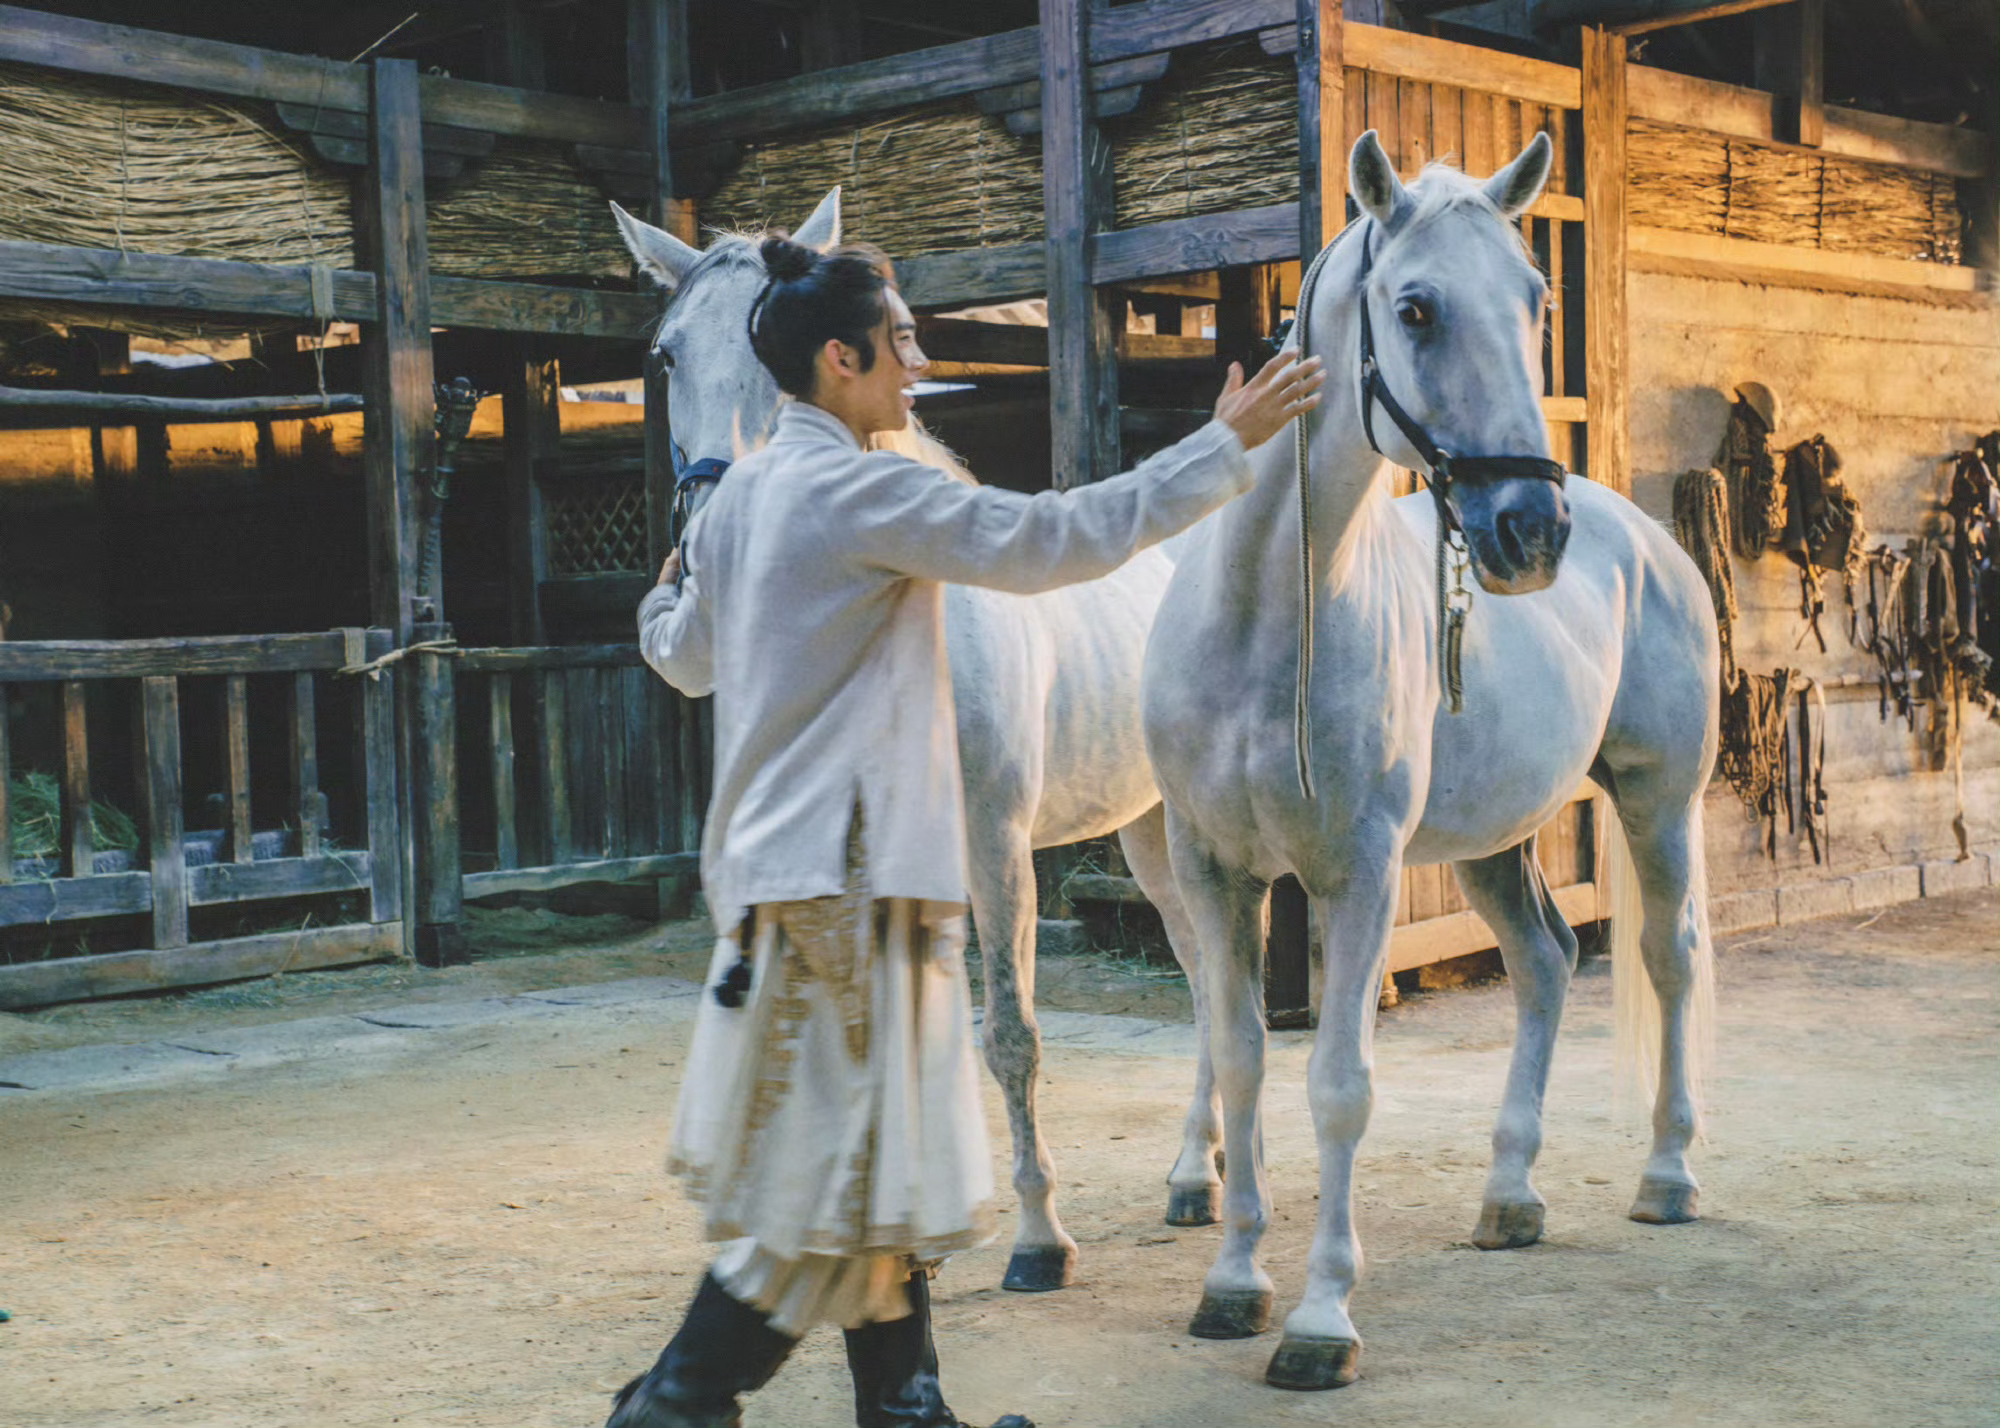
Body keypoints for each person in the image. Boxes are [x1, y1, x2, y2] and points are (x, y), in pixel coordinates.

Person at [616, 232, 1322, 1428]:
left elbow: (681, 658)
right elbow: (1051, 540)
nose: (915, 361)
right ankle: (675, 1408)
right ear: (838, 360)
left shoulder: (744, 498)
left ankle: (906, 1409)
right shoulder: (864, 487)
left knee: (870, 1159)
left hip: (788, 887)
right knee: (829, 1179)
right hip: (847, 886)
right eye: (898, 342)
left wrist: (664, 586)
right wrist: (1225, 447)